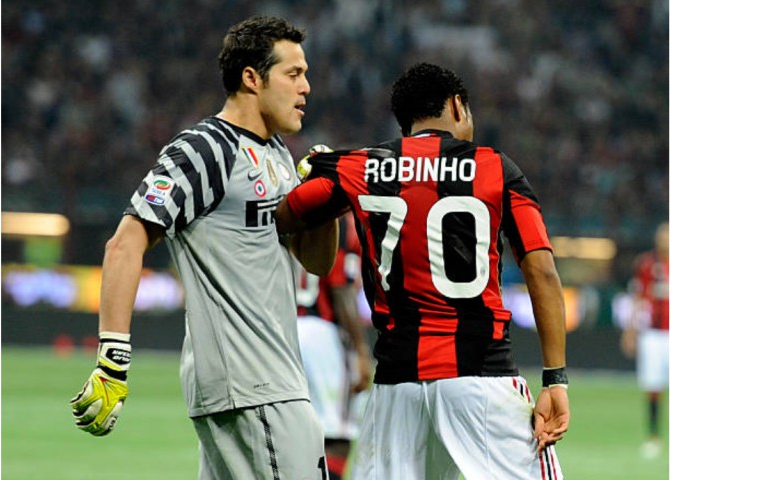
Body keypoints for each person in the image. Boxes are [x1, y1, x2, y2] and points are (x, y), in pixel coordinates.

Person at [69, 15, 339, 480]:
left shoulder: (276, 154)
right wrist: (112, 360)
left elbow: (316, 262)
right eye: (293, 74)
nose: (306, 87)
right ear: (252, 79)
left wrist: (326, 199)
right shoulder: (205, 149)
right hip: (254, 387)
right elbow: (124, 243)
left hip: (264, 384)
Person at [276, 62, 570, 479]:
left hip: (396, 387)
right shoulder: (495, 167)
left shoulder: (359, 167)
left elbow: (287, 215)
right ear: (456, 105)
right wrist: (555, 378)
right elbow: (541, 271)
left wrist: (322, 171)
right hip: (481, 377)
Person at [295, 210, 373, 479]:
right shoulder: (343, 221)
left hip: (284, 331)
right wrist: (361, 351)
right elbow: (342, 290)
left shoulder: (291, 211)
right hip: (322, 333)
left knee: (295, 431)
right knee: (338, 433)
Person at [621, 221, 669, 459]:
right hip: (652, 334)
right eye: (663, 234)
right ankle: (653, 437)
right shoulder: (647, 264)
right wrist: (630, 330)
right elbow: (638, 297)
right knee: (653, 386)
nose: (666, 239)